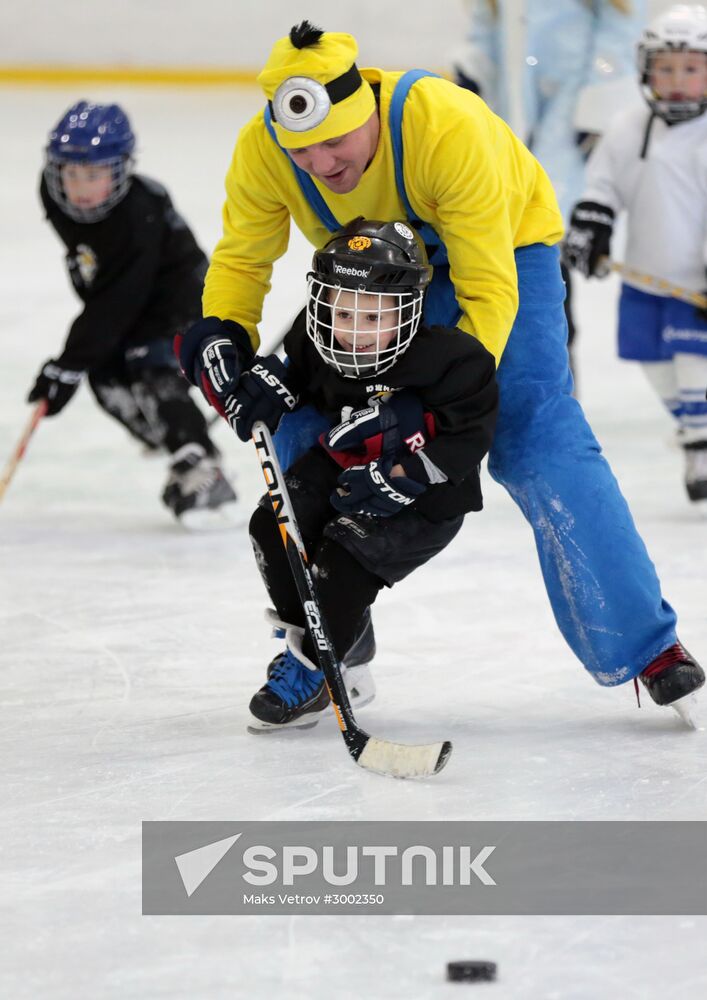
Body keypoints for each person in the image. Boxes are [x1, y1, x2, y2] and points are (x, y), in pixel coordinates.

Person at [176, 21, 704, 714]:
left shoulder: (447, 126)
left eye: (334, 142)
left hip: (504, 259)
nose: (320, 164)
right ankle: (328, 642)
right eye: (302, 150)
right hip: (370, 284)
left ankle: (644, 644)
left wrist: (434, 405)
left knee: (533, 437)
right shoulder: (266, 148)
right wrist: (224, 337)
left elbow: (485, 291)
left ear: (366, 108)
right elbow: (244, 260)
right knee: (296, 426)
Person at [223, 218, 498, 728]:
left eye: (374, 318)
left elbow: (470, 436)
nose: (353, 331)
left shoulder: (454, 361)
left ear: (409, 309)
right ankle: (323, 646)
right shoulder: (317, 341)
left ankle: (314, 671)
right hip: (344, 466)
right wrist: (264, 387)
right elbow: (291, 374)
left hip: (426, 500)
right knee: (272, 527)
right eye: (343, 313)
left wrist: (403, 475)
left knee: (344, 557)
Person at [28, 100, 238, 527]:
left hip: (177, 294)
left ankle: (201, 463)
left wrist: (67, 363)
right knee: (104, 375)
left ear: (121, 170)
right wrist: (78, 364)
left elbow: (118, 299)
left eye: (93, 175)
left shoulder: (137, 214)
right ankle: (172, 437)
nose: (80, 188)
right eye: (70, 173)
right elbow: (100, 270)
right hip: (125, 288)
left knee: (150, 363)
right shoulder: (52, 193)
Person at [451, 0, 647, 376]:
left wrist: (598, 99)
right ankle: (503, 366)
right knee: (496, 232)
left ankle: (555, 368)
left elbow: (620, 27)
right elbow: (486, 27)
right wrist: (473, 71)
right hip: (511, 106)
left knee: (546, 230)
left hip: (571, 107)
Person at [564, 3, 707, 505]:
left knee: (695, 367)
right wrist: (592, 224)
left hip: (697, 285)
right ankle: (696, 437)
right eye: (665, 68)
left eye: (691, 69)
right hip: (645, 280)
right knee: (659, 369)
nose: (677, 80)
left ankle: (699, 452)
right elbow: (602, 185)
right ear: (646, 69)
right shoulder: (629, 125)